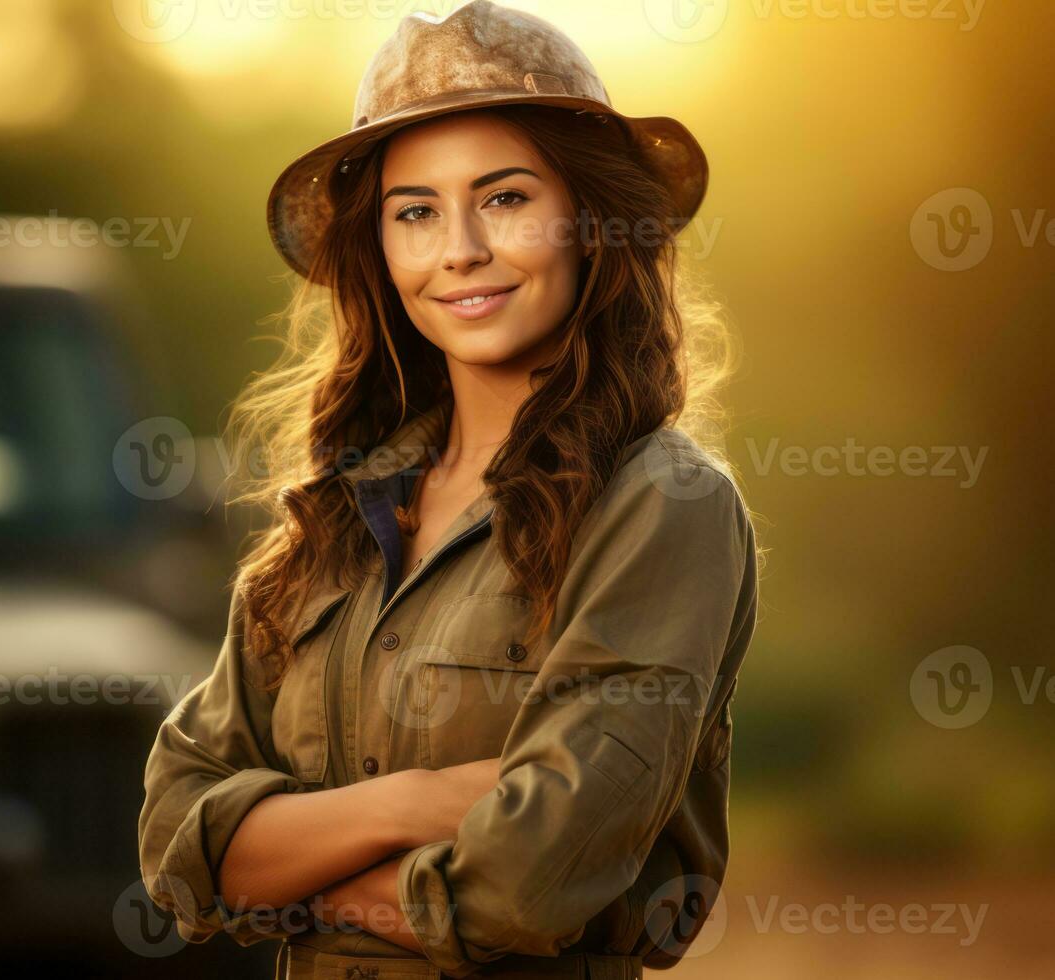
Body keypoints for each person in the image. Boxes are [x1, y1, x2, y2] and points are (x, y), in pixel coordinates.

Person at [138, 2, 760, 977]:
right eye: (414, 211)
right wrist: (416, 800)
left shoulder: (661, 502)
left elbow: (527, 882)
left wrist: (288, 874)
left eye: (504, 197)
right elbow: (176, 838)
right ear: (380, 251)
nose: (457, 248)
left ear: (589, 217)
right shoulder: (335, 512)